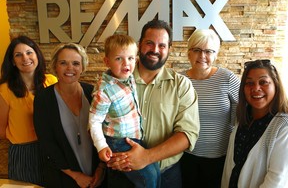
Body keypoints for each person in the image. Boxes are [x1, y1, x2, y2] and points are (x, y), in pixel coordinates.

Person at [107, 19, 200, 188]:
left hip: (167, 177)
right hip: (121, 175)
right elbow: (101, 123)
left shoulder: (181, 86)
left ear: (169, 49)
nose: (155, 50)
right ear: (140, 44)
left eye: (162, 45)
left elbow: (187, 135)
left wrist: (146, 157)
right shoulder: (114, 81)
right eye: (149, 43)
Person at [89, 34, 160, 188]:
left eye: (130, 58)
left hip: (134, 138)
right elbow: (94, 121)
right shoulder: (104, 91)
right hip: (118, 142)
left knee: (155, 170)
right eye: (119, 59)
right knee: (147, 178)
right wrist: (101, 146)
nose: (126, 63)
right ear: (107, 61)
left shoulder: (128, 77)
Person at [33, 43, 106, 188]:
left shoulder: (92, 93)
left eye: (75, 63)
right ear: (55, 66)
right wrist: (76, 176)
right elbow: (47, 143)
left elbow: (106, 132)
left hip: (97, 177)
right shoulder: (43, 99)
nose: (70, 68)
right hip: (63, 178)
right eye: (63, 63)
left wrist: (101, 169)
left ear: (82, 67)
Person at [180, 29, 240, 188]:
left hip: (220, 158)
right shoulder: (179, 81)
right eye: (197, 50)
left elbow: (242, 114)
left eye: (208, 51)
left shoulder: (227, 78)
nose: (202, 56)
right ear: (189, 53)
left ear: (216, 54)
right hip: (186, 156)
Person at [0, 35, 57, 186]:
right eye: (18, 55)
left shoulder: (51, 81)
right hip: (22, 152)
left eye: (29, 52)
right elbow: (1, 129)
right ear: (12, 61)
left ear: (37, 55)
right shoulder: (5, 90)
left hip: (49, 148)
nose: (25, 58)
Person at [221, 59, 288, 188]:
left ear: (276, 85)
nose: (256, 88)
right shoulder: (242, 119)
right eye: (249, 83)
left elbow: (277, 180)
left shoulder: (283, 126)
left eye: (263, 82)